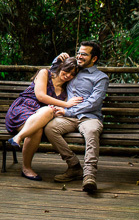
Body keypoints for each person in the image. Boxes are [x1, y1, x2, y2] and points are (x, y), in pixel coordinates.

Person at [3, 57, 83, 181]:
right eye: (66, 71)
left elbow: (58, 111)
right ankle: (26, 167)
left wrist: (60, 110)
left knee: (45, 116)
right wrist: (66, 104)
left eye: (72, 74)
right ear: (61, 67)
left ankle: (18, 139)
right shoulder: (45, 73)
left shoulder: (65, 92)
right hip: (23, 109)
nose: (68, 75)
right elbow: (40, 96)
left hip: (42, 116)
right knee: (38, 128)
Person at [45, 40, 109, 193]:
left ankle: (89, 176)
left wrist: (68, 111)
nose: (79, 56)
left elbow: (94, 103)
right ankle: (74, 166)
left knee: (91, 132)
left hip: (89, 117)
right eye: (78, 53)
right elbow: (53, 74)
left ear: (94, 58)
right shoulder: (74, 70)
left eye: (84, 54)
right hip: (68, 118)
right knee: (50, 128)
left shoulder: (101, 78)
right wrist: (57, 59)